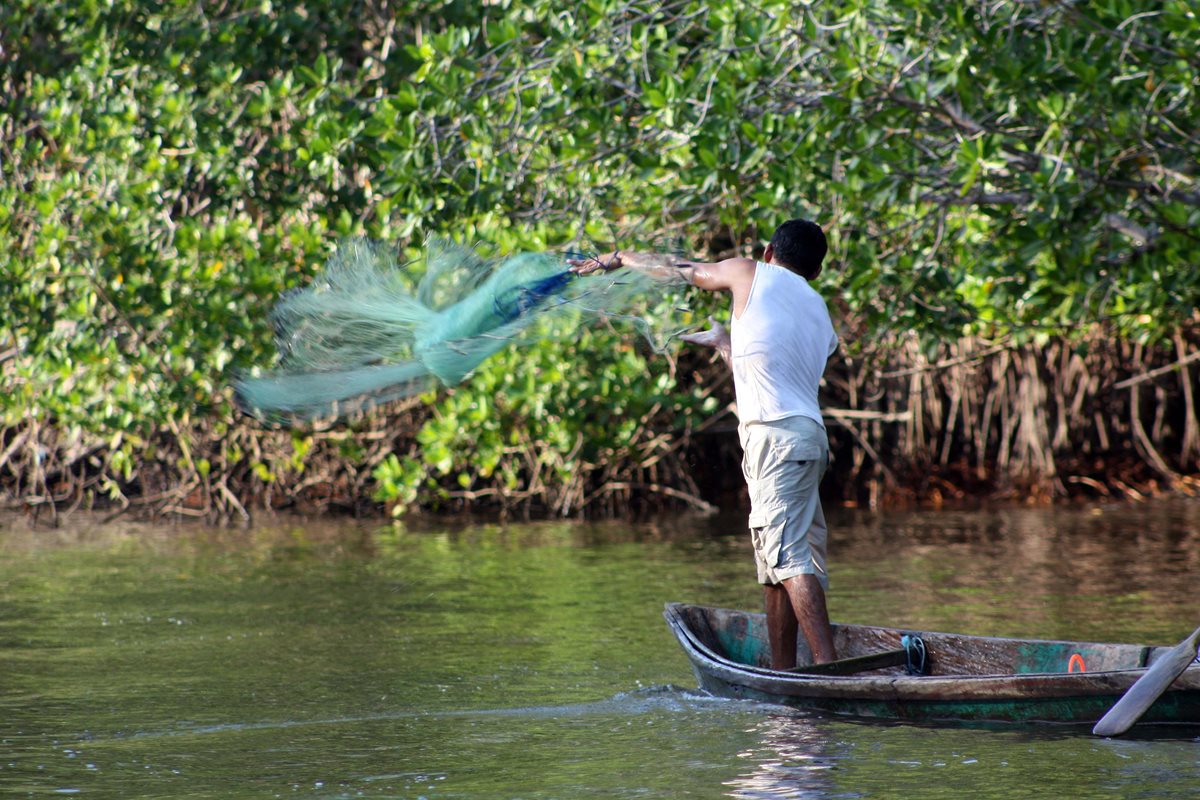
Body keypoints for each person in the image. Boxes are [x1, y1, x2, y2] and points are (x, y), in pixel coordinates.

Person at [569, 220, 839, 668]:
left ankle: (828, 672)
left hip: (774, 439)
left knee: (788, 560)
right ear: (814, 271)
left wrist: (619, 259)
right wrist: (724, 344)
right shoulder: (818, 309)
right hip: (808, 439)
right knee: (776, 565)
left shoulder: (749, 271)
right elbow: (772, 371)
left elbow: (681, 269)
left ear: (770, 252)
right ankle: (783, 672)